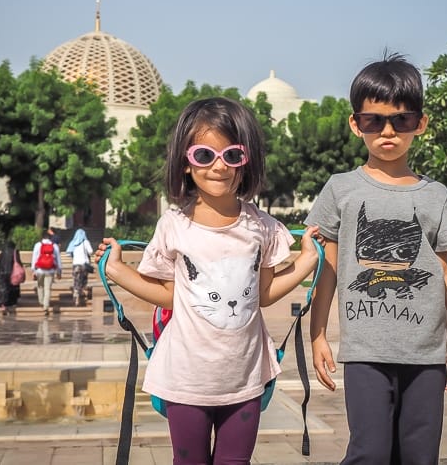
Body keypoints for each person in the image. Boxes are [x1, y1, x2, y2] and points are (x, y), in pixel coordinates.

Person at [96, 96, 321, 465]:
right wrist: (117, 270)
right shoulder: (174, 226)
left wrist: (308, 259)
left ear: (246, 163)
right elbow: (170, 296)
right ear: (185, 163)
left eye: (232, 155)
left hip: (246, 375)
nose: (219, 167)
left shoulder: (262, 228)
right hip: (186, 377)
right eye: (204, 156)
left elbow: (264, 295)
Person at [306, 54, 447, 465]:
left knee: (418, 455)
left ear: (422, 124)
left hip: (426, 355)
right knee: (371, 453)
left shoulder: (436, 195)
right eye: (374, 120)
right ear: (355, 124)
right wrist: (318, 334)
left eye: (403, 120)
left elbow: (446, 273)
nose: (389, 131)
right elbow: (328, 267)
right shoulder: (341, 189)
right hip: (365, 352)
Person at [31, 230, 62, 315]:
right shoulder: (54, 246)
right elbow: (58, 259)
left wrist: (33, 270)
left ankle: (41, 302)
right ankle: (46, 306)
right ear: (50, 237)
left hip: (40, 270)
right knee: (48, 289)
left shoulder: (38, 245)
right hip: (50, 270)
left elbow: (34, 258)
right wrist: (59, 271)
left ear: (42, 237)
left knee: (40, 286)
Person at [65, 227, 94, 306]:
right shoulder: (85, 242)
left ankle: (76, 295)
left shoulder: (73, 242)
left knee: (76, 280)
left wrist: (74, 256)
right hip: (84, 264)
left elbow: (68, 253)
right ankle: (83, 291)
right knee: (84, 279)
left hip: (76, 264)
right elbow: (91, 252)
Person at [0, 240, 22, 314]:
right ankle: (12, 303)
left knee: (3, 288)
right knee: (13, 288)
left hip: (3, 273)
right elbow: (18, 262)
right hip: (12, 274)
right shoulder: (15, 252)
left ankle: (3, 304)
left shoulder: (2, 253)